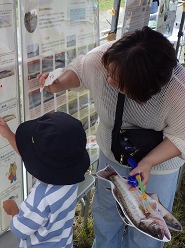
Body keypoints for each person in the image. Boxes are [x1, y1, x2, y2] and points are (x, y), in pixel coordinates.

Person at [38, 26, 185, 248]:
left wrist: (148, 162)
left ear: (146, 89)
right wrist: (61, 82)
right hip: (112, 151)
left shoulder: (178, 90)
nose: (108, 80)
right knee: (106, 212)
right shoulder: (103, 59)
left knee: (147, 226)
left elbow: (180, 136)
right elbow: (80, 70)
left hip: (160, 164)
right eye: (109, 72)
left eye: (118, 81)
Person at [0, 112, 90, 248]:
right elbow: (36, 156)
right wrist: (9, 134)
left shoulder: (40, 199)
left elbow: (20, 229)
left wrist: (13, 209)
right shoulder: (71, 178)